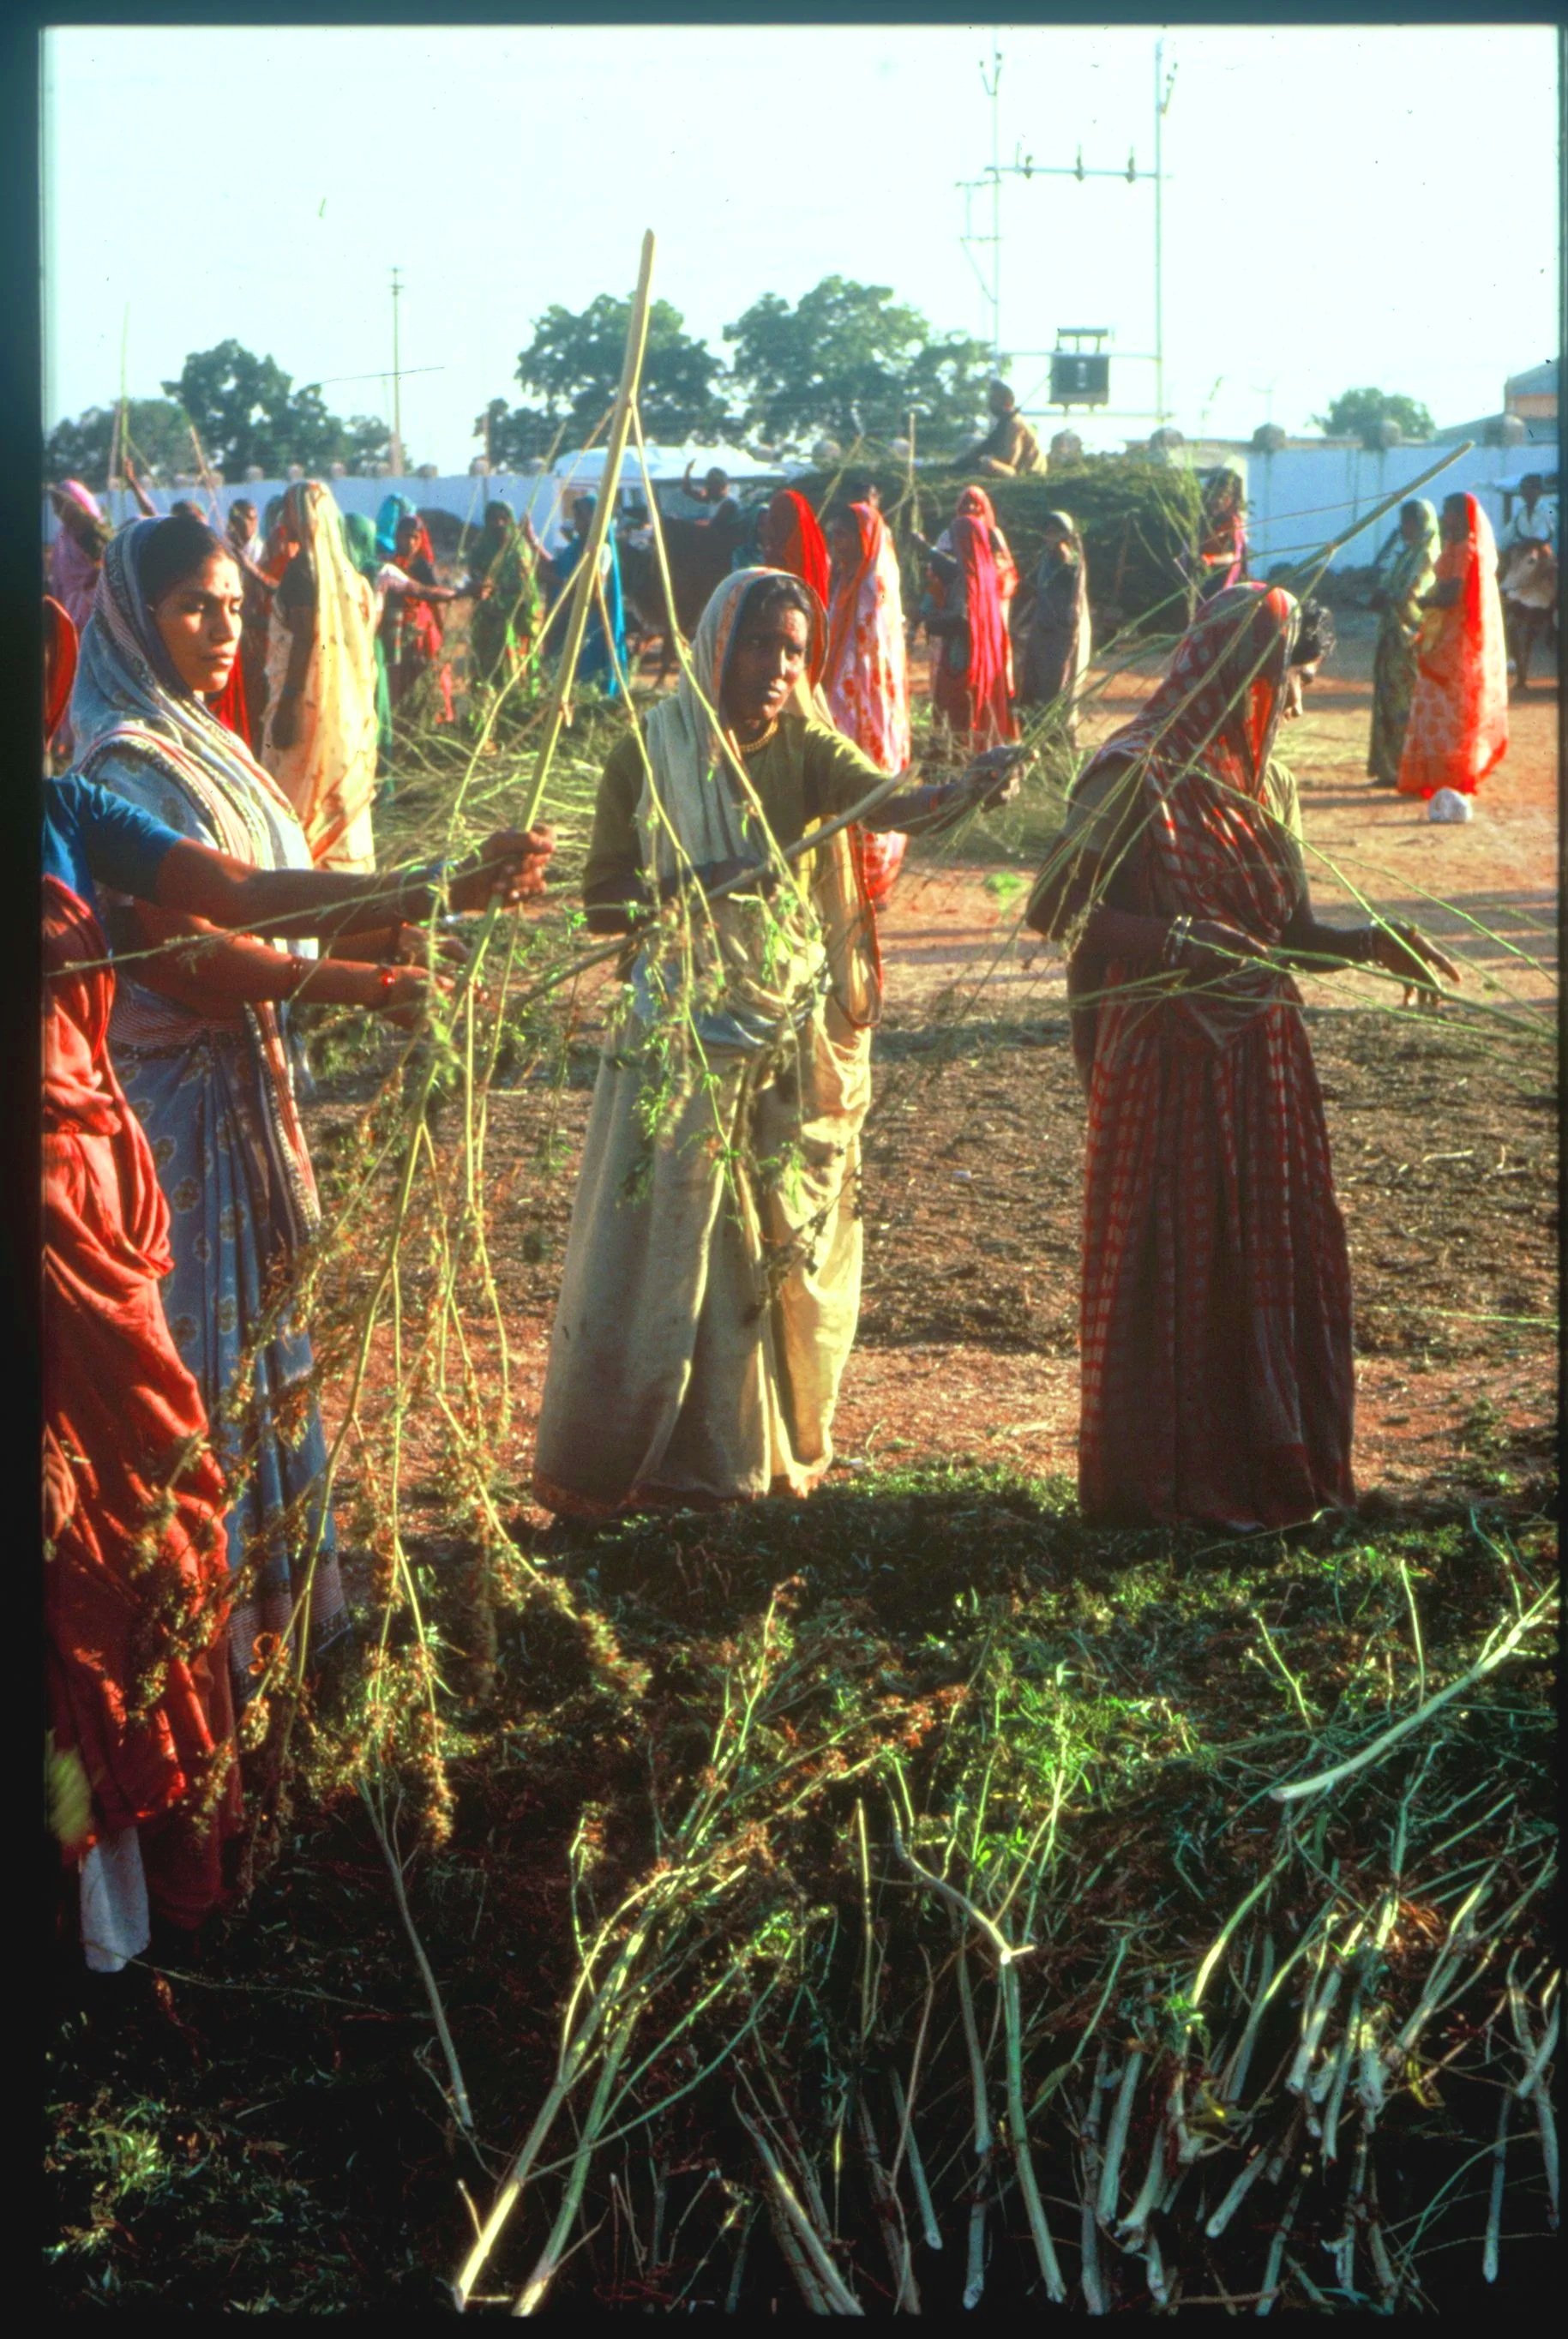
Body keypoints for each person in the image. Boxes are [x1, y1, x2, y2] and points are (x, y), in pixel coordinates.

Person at [45, 588, 550, 1970]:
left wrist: (428, 889)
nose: (223, 628)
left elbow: (247, 896)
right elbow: (191, 960)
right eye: (190, 607)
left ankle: (122, 1851)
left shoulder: (72, 811)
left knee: (136, 1508)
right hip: (71, 1195)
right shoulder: (112, 773)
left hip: (86, 1200)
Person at [532, 567, 1018, 1517]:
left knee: (768, 1242)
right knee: (672, 1242)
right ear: (716, 643)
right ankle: (641, 1453)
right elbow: (600, 901)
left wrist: (962, 792)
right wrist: (695, 881)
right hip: (675, 1035)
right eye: (759, 644)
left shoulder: (804, 742)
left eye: (793, 651)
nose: (775, 666)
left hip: (775, 1028)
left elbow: (884, 805)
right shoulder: (651, 750)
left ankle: (735, 1459)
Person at [1024, 585, 1457, 1530]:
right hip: (1165, 1061)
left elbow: (1286, 933)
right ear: (1232, 677)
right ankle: (1164, 1486)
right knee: (1172, 1257)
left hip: (1262, 1061)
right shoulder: (1130, 772)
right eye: (1284, 682)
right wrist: (1175, 941)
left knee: (1266, 1252)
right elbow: (1054, 908)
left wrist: (1368, 942)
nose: (1294, 706)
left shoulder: (1267, 783)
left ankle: (1268, 1464)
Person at [261, 478, 381, 869]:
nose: (284, 518)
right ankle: (343, 880)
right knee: (336, 791)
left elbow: (306, 642)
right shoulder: (350, 577)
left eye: (289, 511)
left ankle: (303, 881)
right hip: (341, 709)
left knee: (297, 794)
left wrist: (289, 706)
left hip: (305, 706)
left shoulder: (302, 574)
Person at [823, 500, 911, 905]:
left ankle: (871, 876)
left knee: (869, 771)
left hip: (868, 701)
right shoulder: (843, 580)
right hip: (842, 694)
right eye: (833, 535)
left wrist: (844, 698)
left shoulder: (874, 585)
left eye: (842, 535)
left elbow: (871, 656)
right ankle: (841, 872)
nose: (835, 543)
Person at [1397, 491, 1509, 800]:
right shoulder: (1452, 547)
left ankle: (1452, 773)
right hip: (1442, 632)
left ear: (1461, 516)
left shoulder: (1465, 551)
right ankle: (1435, 773)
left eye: (1448, 512)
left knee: (1447, 703)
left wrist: (1425, 600)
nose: (1444, 518)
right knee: (1435, 702)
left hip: (1454, 636)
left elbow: (1452, 595)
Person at [919, 513, 1017, 749]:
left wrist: (932, 622)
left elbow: (963, 620)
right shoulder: (980, 574)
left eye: (956, 540)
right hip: (970, 661)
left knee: (960, 727)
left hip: (963, 664)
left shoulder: (971, 579)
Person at [1366, 500, 1439, 787]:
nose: (1403, 528)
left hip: (1410, 638)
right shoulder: (1408, 553)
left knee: (1404, 701)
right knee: (1389, 698)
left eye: (1407, 522)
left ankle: (1406, 767)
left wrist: (1389, 597)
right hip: (1393, 634)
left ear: (1420, 523)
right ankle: (1389, 766)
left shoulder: (1427, 556)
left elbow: (1413, 594)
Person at [528, 495, 629, 697]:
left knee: (587, 681)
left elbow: (592, 590)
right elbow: (557, 568)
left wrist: (557, 581)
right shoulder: (575, 548)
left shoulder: (601, 551)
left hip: (589, 625)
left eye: (581, 518)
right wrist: (531, 541)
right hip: (568, 621)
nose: (576, 524)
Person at [1016, 510, 1093, 742]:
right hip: (1043, 631)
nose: (1050, 536)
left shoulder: (1070, 560)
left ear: (1065, 534)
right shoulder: (1047, 559)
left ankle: (1056, 738)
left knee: (1058, 685)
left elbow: (1074, 596)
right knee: (1036, 682)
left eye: (1055, 531)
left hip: (1061, 634)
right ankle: (1035, 736)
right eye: (1048, 531)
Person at [381, 511, 460, 725]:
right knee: (397, 678)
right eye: (406, 536)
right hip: (396, 630)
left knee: (424, 674)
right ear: (396, 537)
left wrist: (440, 630)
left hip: (421, 632)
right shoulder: (389, 565)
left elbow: (433, 597)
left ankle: (429, 720)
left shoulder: (422, 567)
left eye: (415, 537)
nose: (410, 542)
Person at [463, 501, 544, 712]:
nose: (498, 524)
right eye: (493, 519)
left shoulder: (519, 550)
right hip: (487, 622)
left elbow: (527, 591)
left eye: (503, 519)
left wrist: (503, 601)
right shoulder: (480, 549)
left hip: (515, 624)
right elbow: (474, 577)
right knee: (486, 673)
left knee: (514, 672)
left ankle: (516, 710)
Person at [1496, 476, 1557, 694]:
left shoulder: (1548, 510)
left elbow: (1545, 535)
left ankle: (1554, 619)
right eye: (1523, 489)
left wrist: (1526, 545)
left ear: (1538, 491)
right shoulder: (1520, 515)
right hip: (1523, 562)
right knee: (1511, 619)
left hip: (1545, 561)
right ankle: (1521, 673)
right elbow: (1504, 539)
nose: (1526, 493)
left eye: (1530, 489)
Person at [49, 480, 111, 634]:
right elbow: (58, 579)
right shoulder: (62, 538)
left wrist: (92, 579)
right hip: (70, 611)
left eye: (61, 504)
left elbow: (107, 565)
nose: (58, 510)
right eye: (56, 505)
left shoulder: (92, 530)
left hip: (96, 607)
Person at [757, 488, 832, 607]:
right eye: (771, 520)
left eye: (777, 520)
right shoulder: (773, 553)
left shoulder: (780, 558)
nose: (771, 527)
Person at [965, 380, 1046, 478]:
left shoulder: (1014, 423)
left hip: (1028, 473)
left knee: (985, 464)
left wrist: (985, 462)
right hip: (1018, 471)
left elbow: (1010, 461)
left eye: (995, 399)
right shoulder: (1003, 424)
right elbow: (984, 447)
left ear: (1008, 400)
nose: (990, 403)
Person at [1191, 470, 1249, 604]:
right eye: (1214, 495)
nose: (1218, 500)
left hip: (1224, 585)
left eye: (1224, 496)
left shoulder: (1232, 523)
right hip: (1202, 581)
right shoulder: (1205, 520)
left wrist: (1209, 559)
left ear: (1233, 499)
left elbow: (1233, 556)